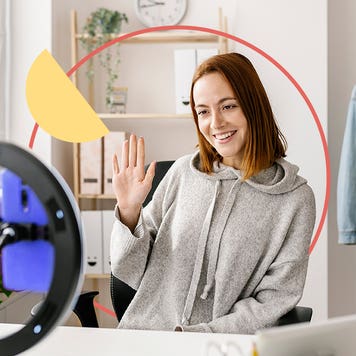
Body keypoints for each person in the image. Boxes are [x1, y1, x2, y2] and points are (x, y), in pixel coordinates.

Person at [110, 52, 316, 334]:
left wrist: (201, 337)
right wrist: (129, 211)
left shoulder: (294, 199)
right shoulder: (182, 174)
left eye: (228, 106)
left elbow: (274, 301)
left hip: (222, 347)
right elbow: (128, 272)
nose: (215, 123)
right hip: (143, 339)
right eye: (203, 111)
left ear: (254, 106)